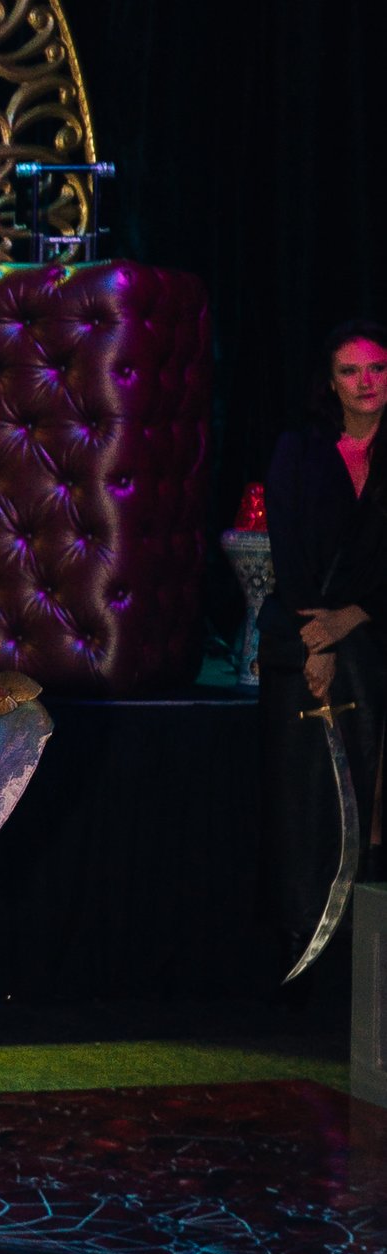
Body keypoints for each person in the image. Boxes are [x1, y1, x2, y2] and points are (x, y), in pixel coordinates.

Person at [259, 315, 387, 967]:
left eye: (376, 368)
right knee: (300, 795)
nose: (366, 382)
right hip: (299, 635)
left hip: (374, 636)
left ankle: (359, 956)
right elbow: (288, 556)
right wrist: (318, 640)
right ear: (330, 383)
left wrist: (352, 621)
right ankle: (299, 938)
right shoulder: (298, 451)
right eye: (350, 370)